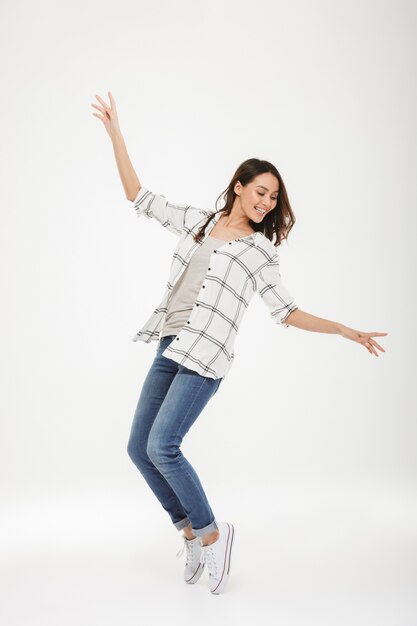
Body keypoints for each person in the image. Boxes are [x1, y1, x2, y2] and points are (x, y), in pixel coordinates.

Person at [91, 91, 388, 595]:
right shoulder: (201, 223)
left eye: (274, 198)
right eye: (261, 192)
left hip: (205, 358)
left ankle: (213, 533)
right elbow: (137, 195)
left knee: (164, 445)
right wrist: (115, 132)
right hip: (170, 344)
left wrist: (343, 328)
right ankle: (187, 530)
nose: (267, 203)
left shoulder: (258, 251)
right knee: (138, 450)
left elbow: (286, 311)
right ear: (239, 186)